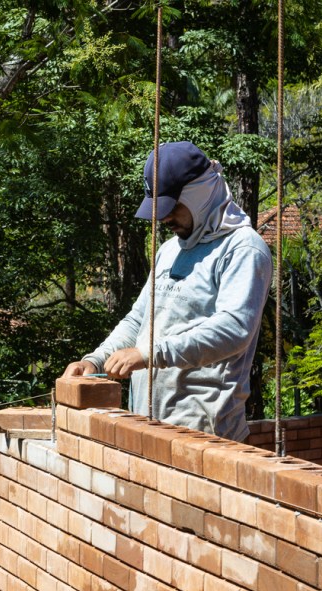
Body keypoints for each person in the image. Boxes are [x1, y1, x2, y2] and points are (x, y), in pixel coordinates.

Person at [63, 141, 272, 441]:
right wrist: (95, 360)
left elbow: (234, 328)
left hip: (205, 433)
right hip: (149, 425)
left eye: (171, 208)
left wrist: (149, 354)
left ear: (198, 195)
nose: (163, 219)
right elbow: (138, 321)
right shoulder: (169, 250)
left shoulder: (242, 249)